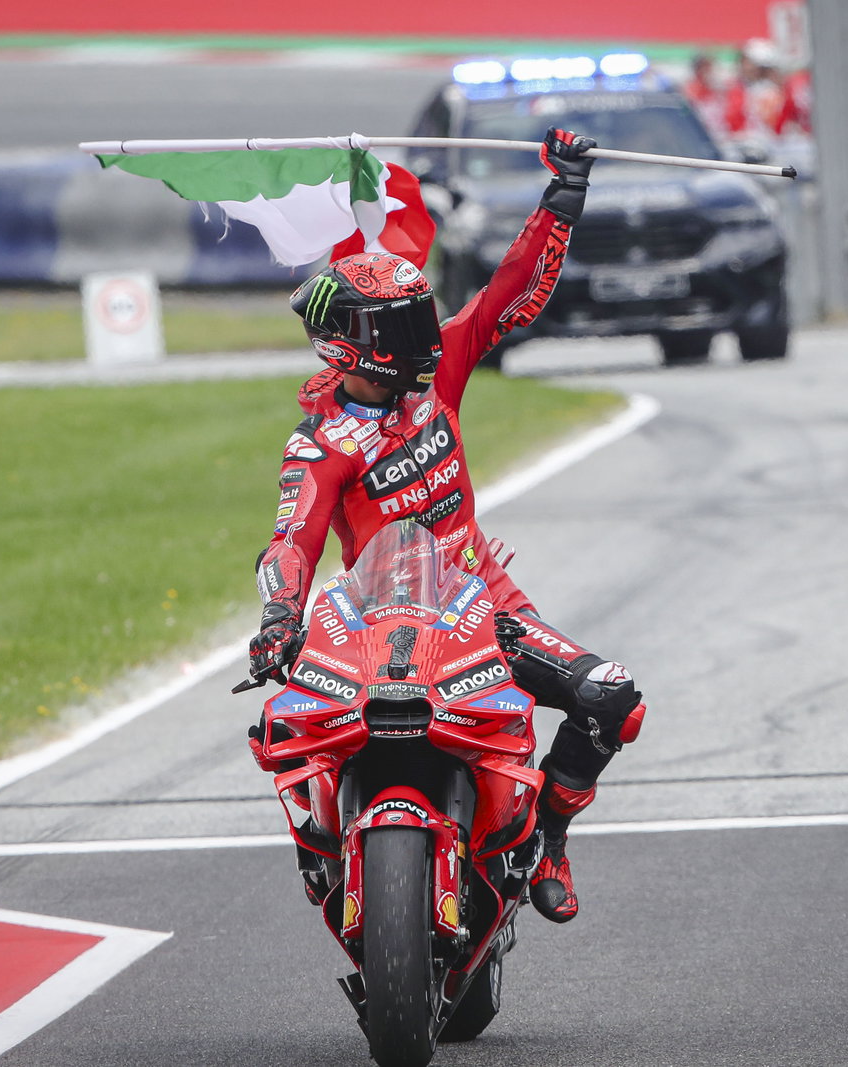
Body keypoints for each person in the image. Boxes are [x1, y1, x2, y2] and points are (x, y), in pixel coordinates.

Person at [246, 127, 644, 925]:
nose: (428, 338)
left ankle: (550, 841)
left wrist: (563, 194)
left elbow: (509, 291)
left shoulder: (439, 378)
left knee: (614, 700)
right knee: (282, 725)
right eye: (403, 326)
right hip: (375, 623)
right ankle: (325, 855)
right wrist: (279, 620)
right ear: (353, 344)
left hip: (481, 605)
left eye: (423, 316)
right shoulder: (320, 443)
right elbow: (293, 542)